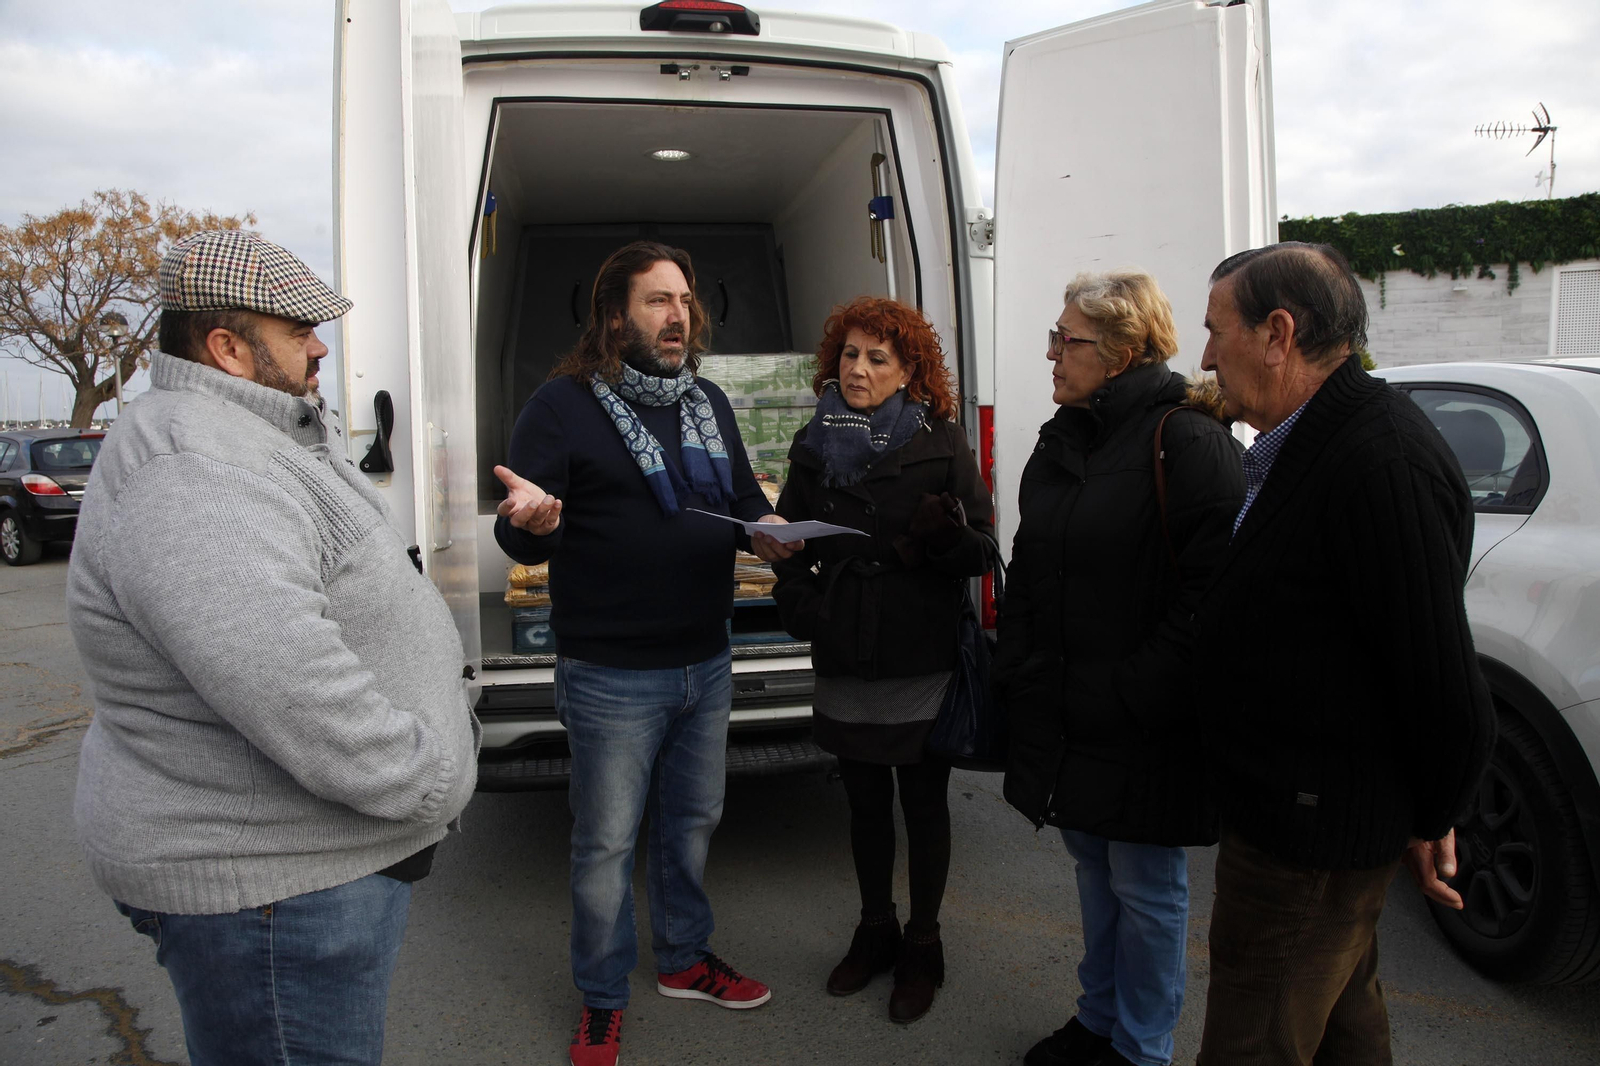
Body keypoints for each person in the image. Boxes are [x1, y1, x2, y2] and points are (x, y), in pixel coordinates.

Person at [66, 229, 479, 1066]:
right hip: (272, 893)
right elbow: (281, 675)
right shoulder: (193, 462)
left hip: (297, 881)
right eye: (297, 331)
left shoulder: (254, 435)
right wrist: (429, 778)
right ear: (228, 348)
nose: (321, 346)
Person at [1191, 242, 1496, 1066]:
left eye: (1218, 331)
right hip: (1308, 822)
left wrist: (1433, 813)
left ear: (1278, 333)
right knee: (1343, 1029)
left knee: (1254, 1044)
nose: (1207, 355)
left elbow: (1444, 686)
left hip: (1311, 838)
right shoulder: (1318, 442)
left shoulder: (1374, 459)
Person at [494, 240, 795, 1066]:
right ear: (614, 316)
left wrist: (771, 535)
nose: (679, 315)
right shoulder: (562, 407)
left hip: (706, 659)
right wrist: (535, 522)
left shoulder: (709, 402)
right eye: (659, 300)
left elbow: (740, 502)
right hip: (610, 674)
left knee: (692, 823)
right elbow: (512, 520)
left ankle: (685, 961)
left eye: (686, 300)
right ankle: (600, 998)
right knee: (605, 844)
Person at [995, 272, 1246, 1066]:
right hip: (1072, 709)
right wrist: (1024, 665)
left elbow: (1215, 596)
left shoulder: (1190, 441)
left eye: (1066, 341)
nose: (1052, 355)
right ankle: (1097, 1022)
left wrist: (1133, 690)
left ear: (1122, 351)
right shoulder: (1062, 437)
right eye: (1054, 337)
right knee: (1095, 870)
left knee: (1146, 890)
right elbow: (1031, 565)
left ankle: (1141, 1050)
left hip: (1144, 721)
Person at [771, 296, 994, 1023]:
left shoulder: (942, 439)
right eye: (849, 355)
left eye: (877, 358)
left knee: (923, 804)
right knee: (864, 804)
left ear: (909, 371)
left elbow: (983, 549)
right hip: (844, 650)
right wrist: (803, 606)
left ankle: (923, 946)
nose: (858, 370)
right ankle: (875, 931)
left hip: (919, 651)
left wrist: (943, 538)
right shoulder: (813, 443)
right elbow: (788, 547)